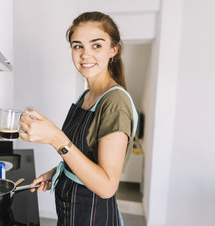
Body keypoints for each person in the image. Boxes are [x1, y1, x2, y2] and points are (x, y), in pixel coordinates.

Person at [19, 11, 138, 226]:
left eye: (96, 45)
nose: (84, 54)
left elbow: (106, 186)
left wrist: (56, 138)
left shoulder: (115, 102)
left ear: (114, 49)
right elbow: (85, 155)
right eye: (77, 46)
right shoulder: (87, 95)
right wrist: (58, 171)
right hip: (70, 208)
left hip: (92, 215)